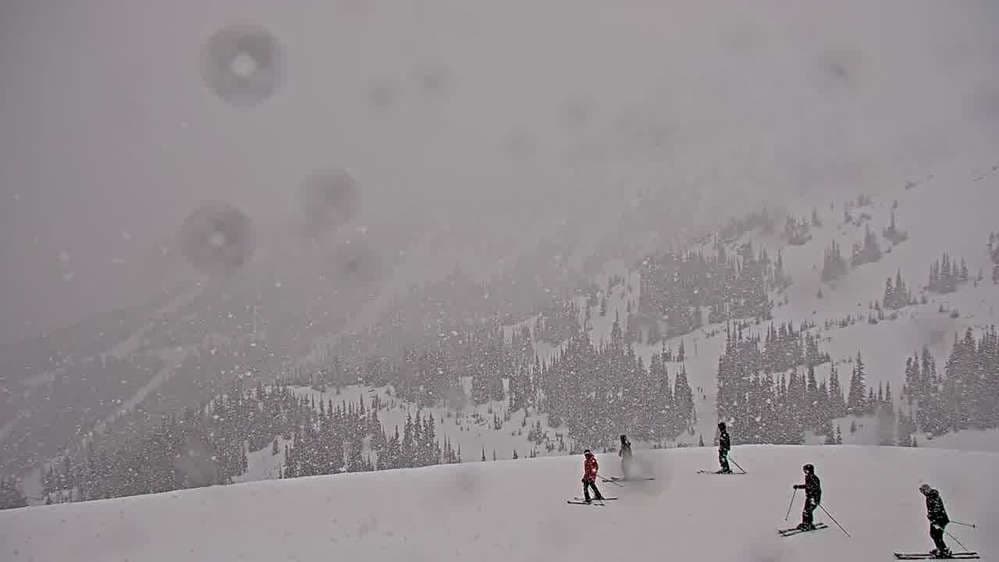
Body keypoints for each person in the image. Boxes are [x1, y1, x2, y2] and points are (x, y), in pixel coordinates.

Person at [919, 484, 951, 558]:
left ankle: (943, 551)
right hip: (936, 519)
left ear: (927, 490)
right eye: (922, 491)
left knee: (936, 535)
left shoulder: (933, 496)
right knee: (934, 534)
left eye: (923, 491)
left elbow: (937, 508)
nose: (923, 493)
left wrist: (934, 519)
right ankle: (941, 549)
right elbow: (932, 509)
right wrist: (931, 516)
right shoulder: (930, 496)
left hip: (939, 519)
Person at [792, 463, 822, 530]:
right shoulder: (808, 477)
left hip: (813, 497)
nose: (804, 471)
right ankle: (806, 523)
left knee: (807, 511)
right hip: (809, 497)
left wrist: (816, 498)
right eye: (804, 470)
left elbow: (816, 488)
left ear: (809, 470)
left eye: (805, 470)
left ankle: (808, 524)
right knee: (806, 511)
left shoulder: (813, 478)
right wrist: (798, 486)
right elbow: (807, 486)